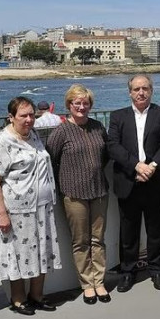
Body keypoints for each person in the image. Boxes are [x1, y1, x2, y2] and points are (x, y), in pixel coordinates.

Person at [0, 96, 61, 316]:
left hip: (41, 208)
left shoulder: (33, 136)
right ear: (11, 117)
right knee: (18, 255)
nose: (29, 119)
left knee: (42, 252)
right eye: (23, 116)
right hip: (17, 211)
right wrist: (1, 214)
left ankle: (36, 295)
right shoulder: (2, 142)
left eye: (31, 115)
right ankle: (18, 299)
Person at [107, 74, 160, 293]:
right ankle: (128, 272)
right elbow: (113, 146)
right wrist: (136, 166)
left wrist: (152, 166)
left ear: (151, 90)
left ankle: (156, 269)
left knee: (156, 229)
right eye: (136, 89)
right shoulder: (118, 116)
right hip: (129, 180)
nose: (141, 92)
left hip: (156, 180)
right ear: (130, 92)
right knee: (128, 230)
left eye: (145, 88)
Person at [46, 84, 111, 304]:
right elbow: (51, 159)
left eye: (85, 103)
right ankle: (87, 284)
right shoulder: (61, 132)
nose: (82, 107)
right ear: (69, 105)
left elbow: (104, 157)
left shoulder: (97, 127)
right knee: (80, 241)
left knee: (98, 240)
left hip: (99, 191)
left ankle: (99, 281)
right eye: (77, 103)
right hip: (74, 194)